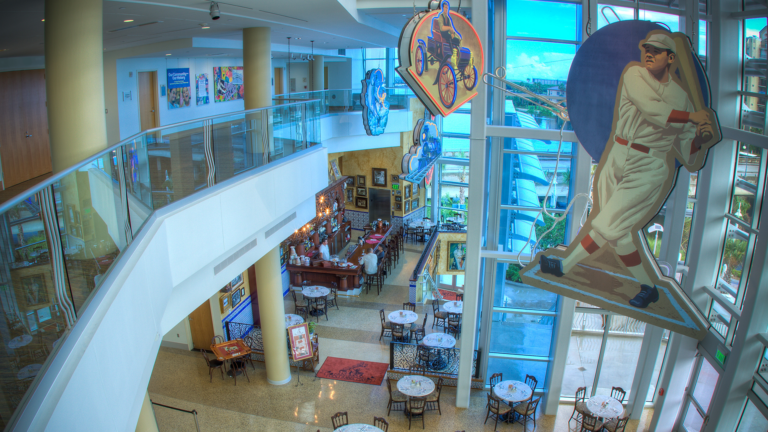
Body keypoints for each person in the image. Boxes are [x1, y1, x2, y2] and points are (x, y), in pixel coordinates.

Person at [539, 32, 717, 309]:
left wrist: (700, 138)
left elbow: (687, 151)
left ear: (671, 58)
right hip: (618, 153)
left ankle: (564, 266)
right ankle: (648, 286)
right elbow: (652, 109)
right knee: (618, 234)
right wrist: (694, 117)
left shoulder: (683, 99)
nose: (649, 54)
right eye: (647, 48)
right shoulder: (636, 75)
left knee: (607, 223)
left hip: (650, 165)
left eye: (656, 51)